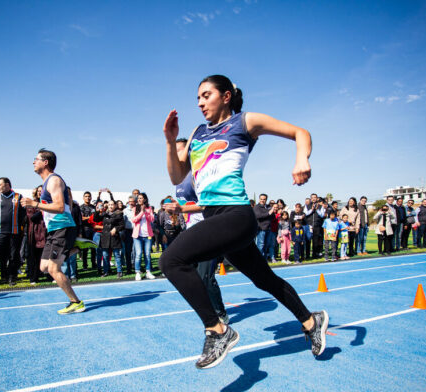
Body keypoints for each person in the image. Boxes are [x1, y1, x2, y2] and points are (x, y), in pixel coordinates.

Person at [160, 74, 327, 369]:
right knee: (264, 279)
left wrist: (302, 159)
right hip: (215, 216)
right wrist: (171, 141)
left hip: (236, 214)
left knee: (171, 260)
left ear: (225, 96)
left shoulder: (245, 122)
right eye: (197, 97)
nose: (200, 102)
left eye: (206, 95)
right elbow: (176, 176)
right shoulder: (198, 132)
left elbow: (301, 133)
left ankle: (217, 330)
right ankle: (311, 321)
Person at [164, 137, 229, 324]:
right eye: (174, 151)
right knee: (178, 267)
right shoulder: (178, 180)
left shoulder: (197, 174)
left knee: (205, 276)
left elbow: (208, 204)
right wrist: (177, 216)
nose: (177, 155)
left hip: (209, 230)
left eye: (180, 151)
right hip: (192, 231)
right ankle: (208, 309)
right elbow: (185, 206)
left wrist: (182, 209)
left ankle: (220, 313)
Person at [20, 149, 84, 314]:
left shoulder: (53, 180)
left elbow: (60, 207)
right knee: (43, 267)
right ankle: (75, 249)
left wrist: (34, 204)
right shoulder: (46, 182)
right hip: (54, 230)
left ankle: (75, 302)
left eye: (36, 159)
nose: (33, 162)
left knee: (54, 269)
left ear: (45, 162)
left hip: (62, 229)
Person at [0, 177, 26, 289]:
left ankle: (11, 277)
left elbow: (23, 214)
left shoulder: (18, 197)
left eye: (0, 184)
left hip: (14, 232)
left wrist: (17, 224)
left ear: (7, 185)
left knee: (13, 256)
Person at [93, 200, 125, 277]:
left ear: (115, 206)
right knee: (105, 255)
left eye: (112, 204)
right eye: (109, 205)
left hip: (114, 238)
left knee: (117, 255)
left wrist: (116, 229)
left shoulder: (119, 214)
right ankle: (106, 271)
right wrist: (97, 211)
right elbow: (96, 219)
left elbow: (122, 225)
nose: (110, 206)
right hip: (105, 237)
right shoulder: (104, 214)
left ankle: (119, 271)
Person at [131, 192, 156, 281]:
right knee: (138, 254)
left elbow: (152, 219)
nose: (139, 200)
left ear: (145, 199)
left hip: (147, 236)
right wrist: (141, 212)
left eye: (141, 198)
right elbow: (134, 220)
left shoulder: (149, 208)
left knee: (147, 254)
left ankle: (148, 272)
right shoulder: (134, 208)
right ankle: (137, 272)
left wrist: (145, 212)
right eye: (138, 198)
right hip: (137, 236)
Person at [25, 186, 47, 284]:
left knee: (46, 256)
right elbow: (32, 218)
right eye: (38, 191)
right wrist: (42, 211)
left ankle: (48, 275)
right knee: (34, 256)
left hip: (46, 232)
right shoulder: (31, 204)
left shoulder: (48, 203)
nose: (39, 193)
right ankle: (34, 277)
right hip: (34, 233)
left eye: (41, 191)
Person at [79, 191, 97, 270]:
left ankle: (94, 264)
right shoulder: (81, 207)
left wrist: (91, 218)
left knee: (93, 248)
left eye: (89, 196)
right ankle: (85, 265)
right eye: (86, 196)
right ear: (83, 198)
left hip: (93, 230)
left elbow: (96, 217)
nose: (88, 198)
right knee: (85, 249)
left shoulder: (93, 207)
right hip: (85, 230)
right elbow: (81, 218)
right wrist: (90, 218)